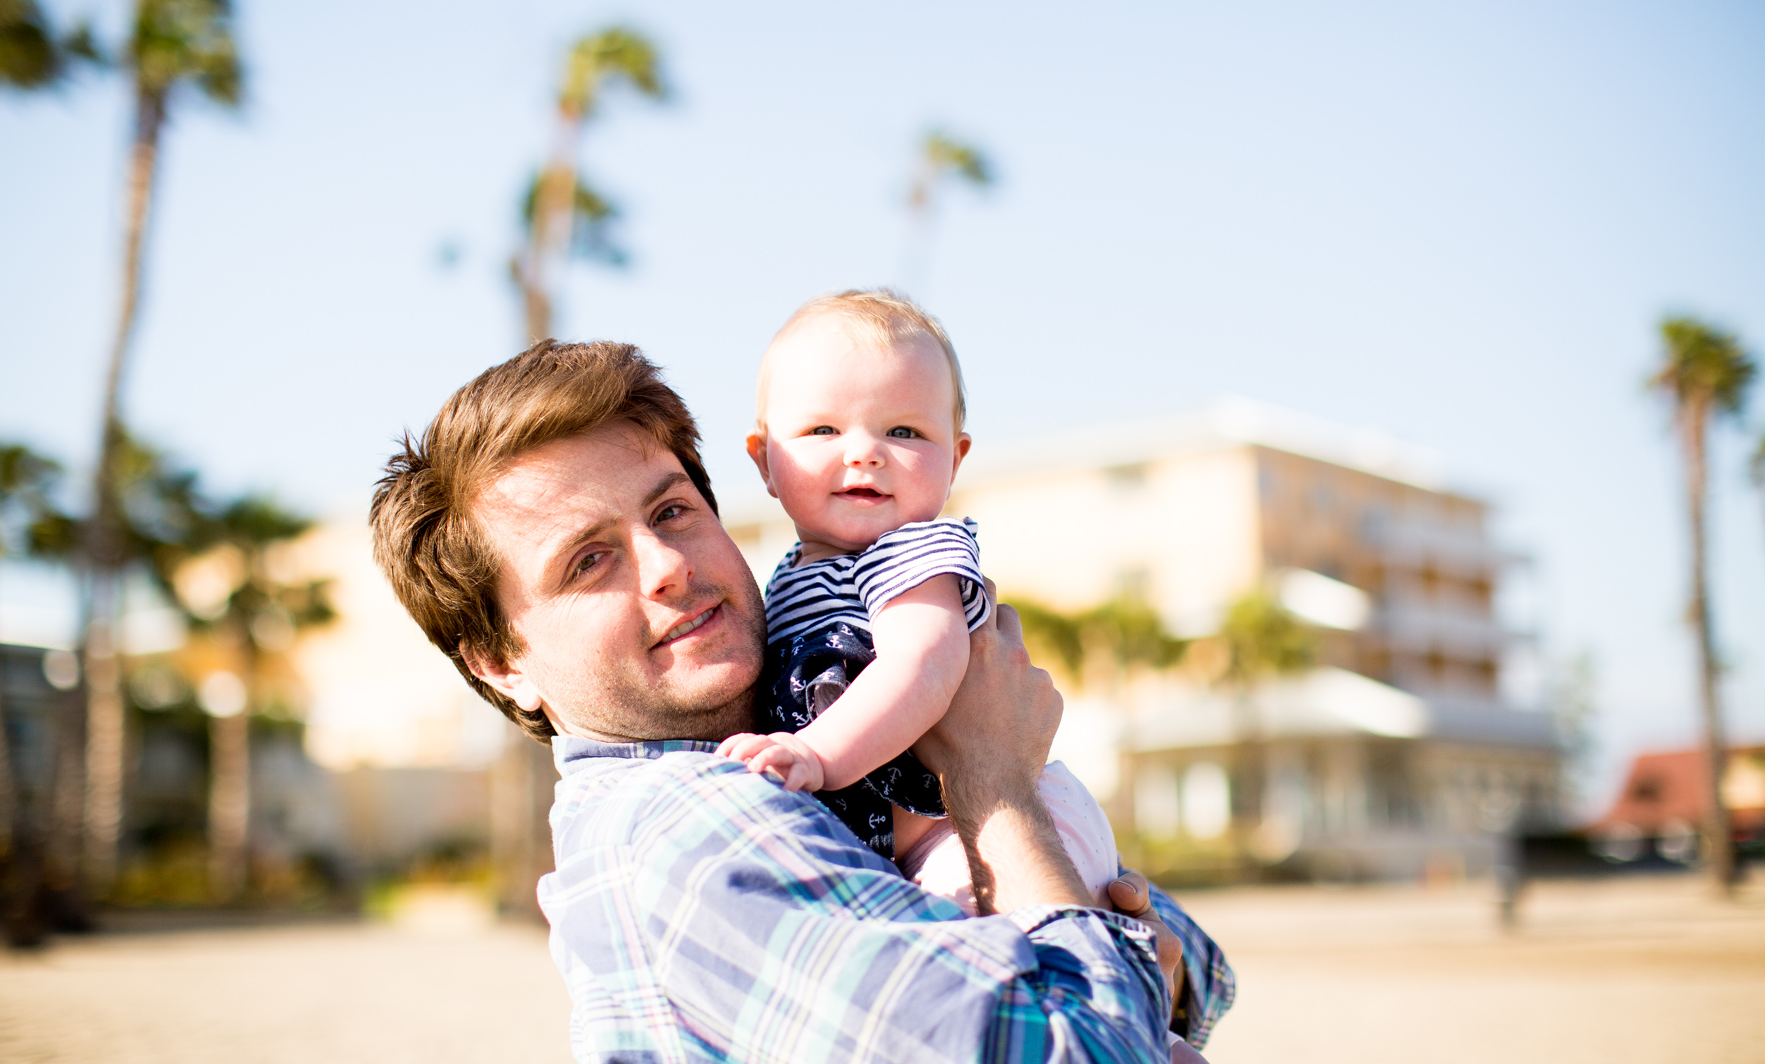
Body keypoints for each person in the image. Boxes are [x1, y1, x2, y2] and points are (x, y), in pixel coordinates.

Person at [370, 339, 1235, 1062]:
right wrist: (995, 783)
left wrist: (1140, 955)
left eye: (671, 512)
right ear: (499, 662)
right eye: (587, 560)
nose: (668, 566)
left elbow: (1188, 969)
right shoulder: (694, 825)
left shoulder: (796, 735)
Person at [716, 290, 1121, 923]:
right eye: (823, 429)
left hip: (985, 824)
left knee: (1003, 965)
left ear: (955, 460)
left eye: (904, 431)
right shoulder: (789, 578)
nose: (865, 451)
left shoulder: (911, 552)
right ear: (764, 459)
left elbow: (920, 664)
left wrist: (818, 754)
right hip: (934, 837)